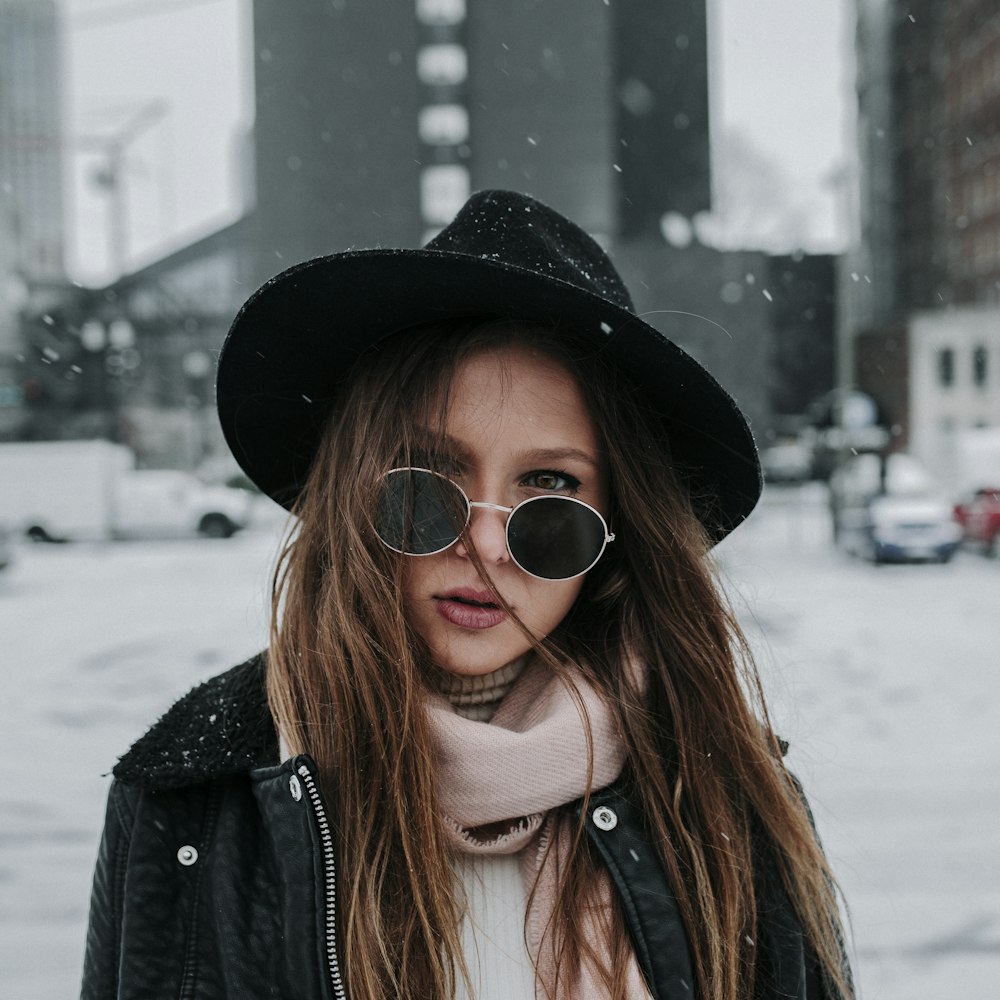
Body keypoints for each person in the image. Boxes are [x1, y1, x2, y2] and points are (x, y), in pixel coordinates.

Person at [81, 189, 852, 1000]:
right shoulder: (194, 794)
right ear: (355, 493)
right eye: (427, 484)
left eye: (550, 489)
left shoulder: (726, 788)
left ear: (618, 531)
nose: (484, 545)